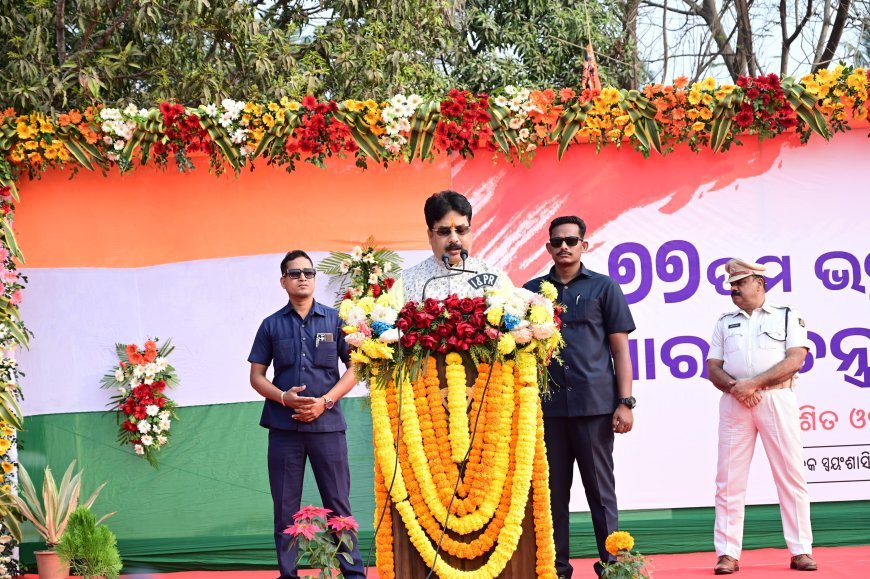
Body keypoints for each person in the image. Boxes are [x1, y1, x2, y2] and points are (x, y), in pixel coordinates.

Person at [523, 215, 636, 578]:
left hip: (594, 407)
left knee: (601, 494)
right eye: (557, 242)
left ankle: (614, 568)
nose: (564, 247)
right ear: (548, 247)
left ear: (584, 245)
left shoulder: (604, 287)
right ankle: (554, 570)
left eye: (571, 241)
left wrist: (626, 402)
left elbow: (620, 350)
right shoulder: (530, 293)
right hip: (547, 410)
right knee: (551, 496)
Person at [248, 250, 365, 579]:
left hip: (328, 428)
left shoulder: (335, 320)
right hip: (284, 430)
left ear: (314, 279)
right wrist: (283, 398)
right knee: (285, 509)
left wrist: (325, 401)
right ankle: (288, 575)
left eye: (309, 273)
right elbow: (256, 376)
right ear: (283, 281)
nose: (303, 278)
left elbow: (356, 368)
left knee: (338, 505)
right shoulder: (271, 325)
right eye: (295, 273)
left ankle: (354, 575)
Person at [706, 258, 816, 574]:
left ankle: (801, 550)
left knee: (791, 475)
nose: (734, 289)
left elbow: (796, 359)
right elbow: (713, 367)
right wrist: (738, 388)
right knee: (728, 480)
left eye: (740, 283)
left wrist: (753, 383)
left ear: (759, 283)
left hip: (776, 398)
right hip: (735, 402)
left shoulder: (787, 315)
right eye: (732, 284)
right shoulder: (724, 321)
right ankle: (727, 553)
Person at [401, 189, 509, 302]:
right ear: (430, 235)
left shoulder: (495, 278)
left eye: (461, 230)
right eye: (444, 232)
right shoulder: (407, 281)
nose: (453, 239)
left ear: (470, 232)